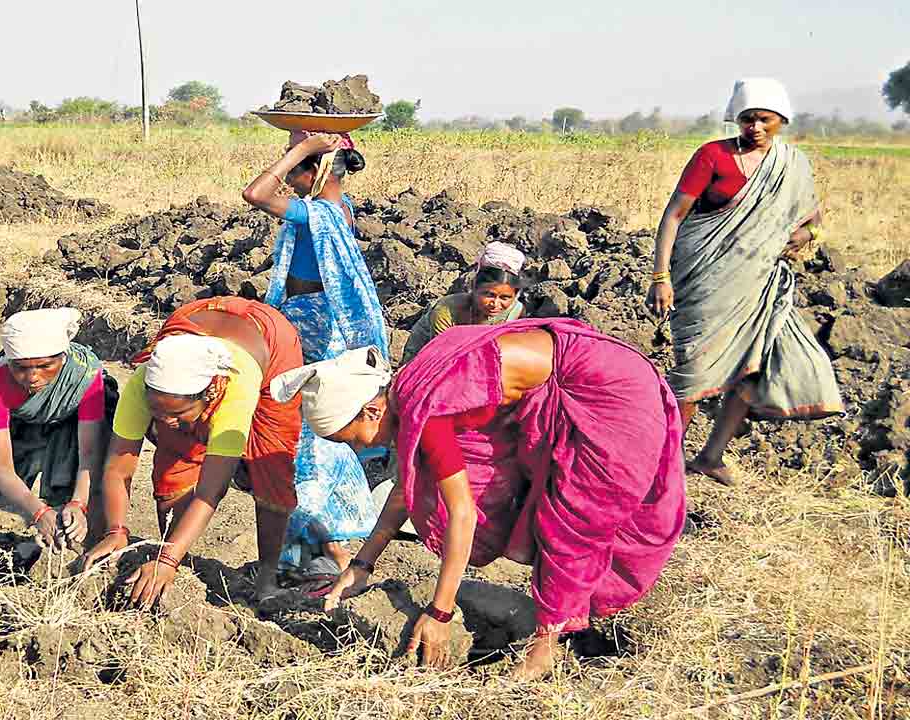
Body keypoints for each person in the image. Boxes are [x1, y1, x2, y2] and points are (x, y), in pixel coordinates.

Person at [272, 318, 686, 679]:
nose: (359, 452)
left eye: (350, 440)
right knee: (546, 508)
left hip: (606, 394)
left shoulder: (427, 409)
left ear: (371, 412)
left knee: (573, 518)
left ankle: (545, 648)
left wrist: (439, 612)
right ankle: (563, 622)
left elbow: (462, 515)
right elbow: (407, 485)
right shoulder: (412, 396)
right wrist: (363, 564)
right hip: (581, 378)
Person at [646, 78, 841, 486]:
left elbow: (814, 223)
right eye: (747, 119)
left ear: (781, 121)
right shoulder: (712, 156)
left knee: (754, 371)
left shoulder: (791, 165)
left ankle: (710, 457)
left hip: (760, 281)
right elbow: (673, 217)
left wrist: (801, 238)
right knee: (692, 374)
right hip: (703, 279)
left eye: (764, 119)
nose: (754, 127)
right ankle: (665, 463)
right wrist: (660, 276)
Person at [81, 297, 303, 605]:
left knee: (271, 469)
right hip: (197, 319)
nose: (166, 421)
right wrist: (116, 530)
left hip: (269, 341)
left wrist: (167, 560)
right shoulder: (142, 385)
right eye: (157, 411)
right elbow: (118, 469)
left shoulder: (233, 393)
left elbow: (211, 491)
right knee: (175, 464)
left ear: (210, 393)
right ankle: (173, 557)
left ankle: (267, 578)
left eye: (176, 413)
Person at [241, 131, 386, 586]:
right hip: (319, 327)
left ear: (315, 171)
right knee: (315, 435)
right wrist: (306, 151)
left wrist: (300, 151)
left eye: (296, 167)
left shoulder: (314, 214)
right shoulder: (339, 211)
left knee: (305, 437)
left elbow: (255, 193)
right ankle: (321, 549)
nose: (289, 174)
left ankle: (329, 549)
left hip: (314, 333)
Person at [0, 308, 118, 551]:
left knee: (67, 478)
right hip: (20, 422)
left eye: (45, 366)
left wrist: (78, 502)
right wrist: (38, 512)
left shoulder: (84, 375)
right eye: (21, 368)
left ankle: (63, 542)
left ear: (62, 358)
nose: (32, 377)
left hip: (70, 423)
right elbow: (0, 467)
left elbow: (89, 454)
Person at [402, 242, 528, 361]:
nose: (495, 304)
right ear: (473, 287)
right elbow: (441, 355)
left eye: (505, 298)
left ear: (515, 295)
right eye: (489, 295)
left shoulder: (516, 313)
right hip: (428, 355)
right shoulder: (447, 310)